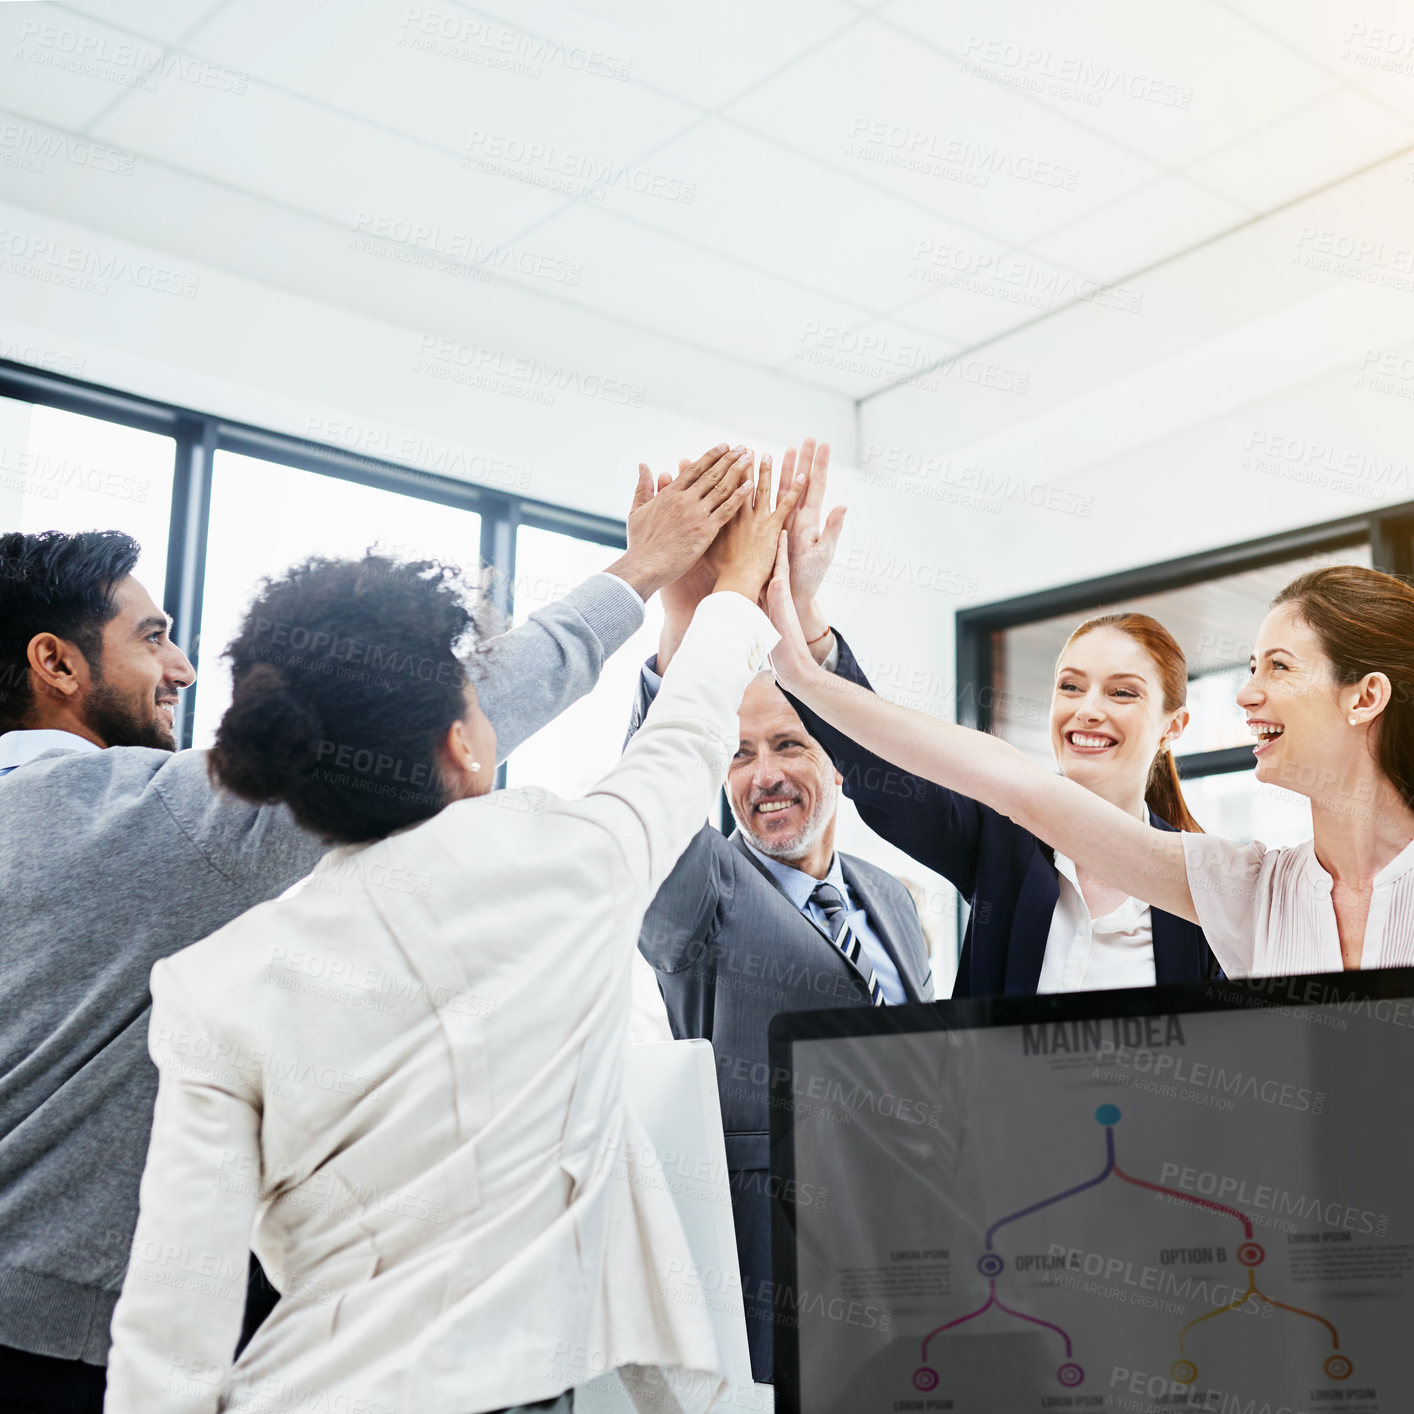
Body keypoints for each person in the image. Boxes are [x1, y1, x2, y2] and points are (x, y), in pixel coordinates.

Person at [0, 445, 748, 1414]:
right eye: (151, 637)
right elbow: (429, 719)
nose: (181, 666)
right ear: (54, 662)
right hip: (58, 1354)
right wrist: (643, 575)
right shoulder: (128, 823)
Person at [627, 442, 934, 1385]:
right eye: (740, 753)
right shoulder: (705, 887)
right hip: (769, 1271)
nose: (764, 775)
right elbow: (653, 813)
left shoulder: (897, 901)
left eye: (791, 745)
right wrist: (683, 631)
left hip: (910, 1247)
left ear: (837, 759)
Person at [767, 548, 1414, 980]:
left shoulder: (1219, 887)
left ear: (1366, 697)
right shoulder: (1247, 887)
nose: (1246, 694)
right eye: (1070, 687)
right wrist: (808, 669)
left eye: (1278, 667)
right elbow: (1009, 782)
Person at [768, 440, 1215, 996]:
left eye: (1122, 693)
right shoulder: (1005, 841)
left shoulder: (1202, 881)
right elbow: (888, 771)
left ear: (1174, 726)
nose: (1087, 710)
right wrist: (807, 617)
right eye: (1070, 687)